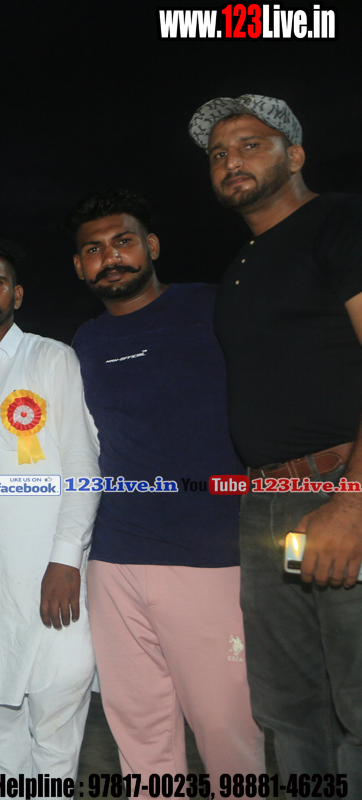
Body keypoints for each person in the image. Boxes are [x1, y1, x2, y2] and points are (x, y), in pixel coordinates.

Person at [190, 93, 362, 785]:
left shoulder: (341, 222)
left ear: (295, 156)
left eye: (251, 145)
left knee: (358, 703)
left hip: (339, 486)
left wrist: (352, 503)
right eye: (218, 153)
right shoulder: (243, 264)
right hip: (269, 503)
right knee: (289, 707)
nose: (231, 160)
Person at [64, 190, 264, 782]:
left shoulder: (213, 307)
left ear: (151, 246)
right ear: (79, 266)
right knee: (139, 730)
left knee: (228, 728)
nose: (110, 257)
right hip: (114, 560)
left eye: (123, 241)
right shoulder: (85, 342)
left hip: (211, 558)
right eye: (94, 249)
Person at [0, 237, 98, 779]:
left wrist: (65, 560)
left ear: (17, 294)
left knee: (55, 731)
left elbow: (82, 465)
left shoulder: (52, 358)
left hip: (52, 578)